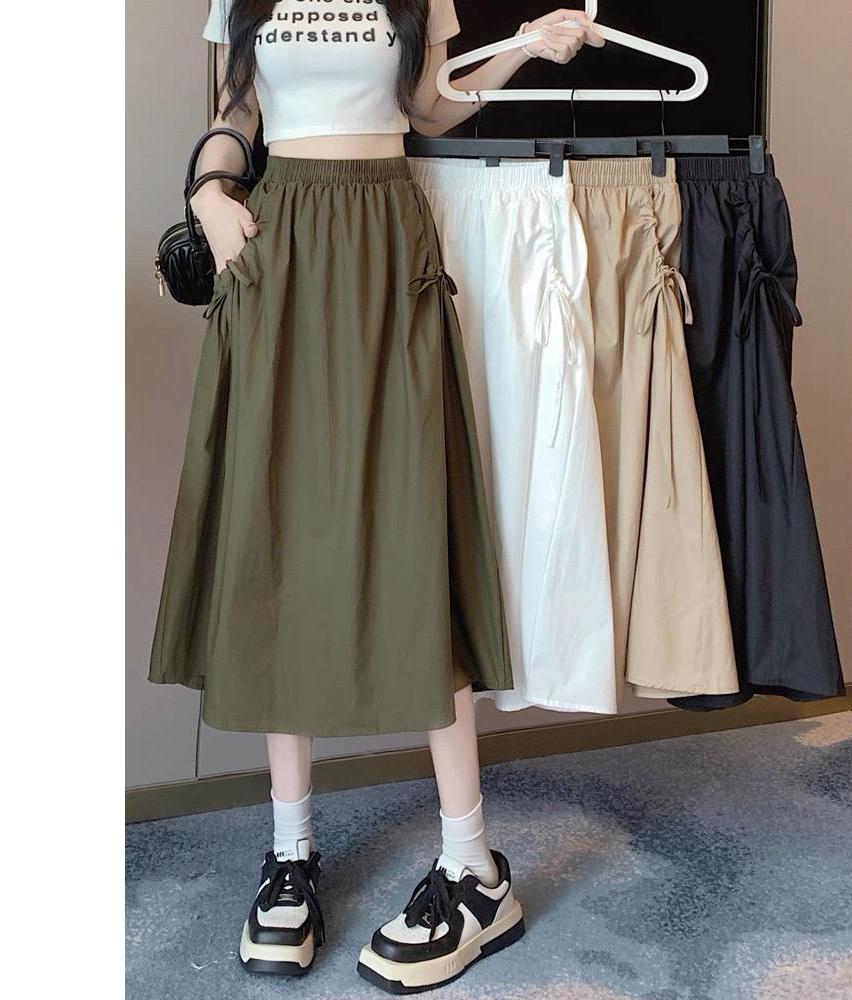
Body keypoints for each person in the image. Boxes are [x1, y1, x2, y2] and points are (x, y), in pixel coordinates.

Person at [148, 1, 602, 991]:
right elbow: (236, 111)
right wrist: (211, 187)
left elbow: (430, 108)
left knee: (412, 526)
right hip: (279, 240)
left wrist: (521, 50)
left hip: (387, 235)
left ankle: (472, 861)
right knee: (277, 531)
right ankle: (290, 853)